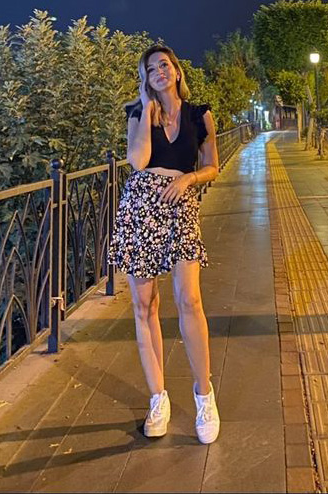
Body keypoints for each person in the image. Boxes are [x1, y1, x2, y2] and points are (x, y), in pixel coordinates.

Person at [108, 44, 220, 444]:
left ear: (176, 71)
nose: (159, 71)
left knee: (190, 299)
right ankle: (158, 398)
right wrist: (144, 105)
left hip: (180, 205)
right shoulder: (138, 113)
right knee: (145, 305)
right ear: (146, 79)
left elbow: (211, 166)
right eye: (150, 69)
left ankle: (204, 395)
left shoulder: (199, 114)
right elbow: (138, 161)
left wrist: (189, 178)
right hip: (141, 206)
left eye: (164, 64)